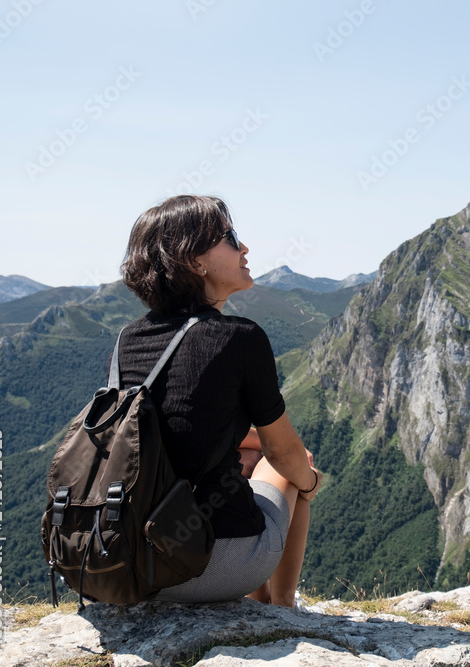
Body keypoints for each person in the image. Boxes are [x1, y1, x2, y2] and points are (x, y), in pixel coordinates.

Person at [116, 194, 321, 607]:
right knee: (298, 466)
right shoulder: (241, 337)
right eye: (230, 238)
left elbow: (170, 430)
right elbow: (283, 455)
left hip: (128, 559)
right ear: (195, 261)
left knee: (249, 455)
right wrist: (311, 483)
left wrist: (249, 445)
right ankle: (282, 608)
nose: (244, 248)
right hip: (203, 563)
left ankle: (269, 603)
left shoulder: (128, 339)